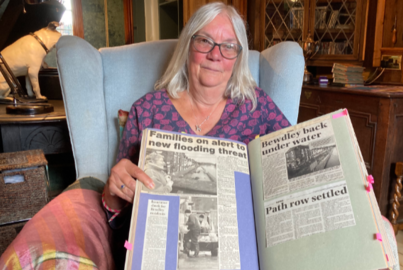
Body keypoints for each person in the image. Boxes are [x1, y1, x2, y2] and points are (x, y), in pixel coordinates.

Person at [101, 2, 290, 225]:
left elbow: (292, 170)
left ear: (238, 57)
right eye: (204, 41)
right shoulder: (146, 110)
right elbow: (116, 216)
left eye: (228, 46)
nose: (215, 55)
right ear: (187, 46)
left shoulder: (257, 106)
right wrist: (113, 191)